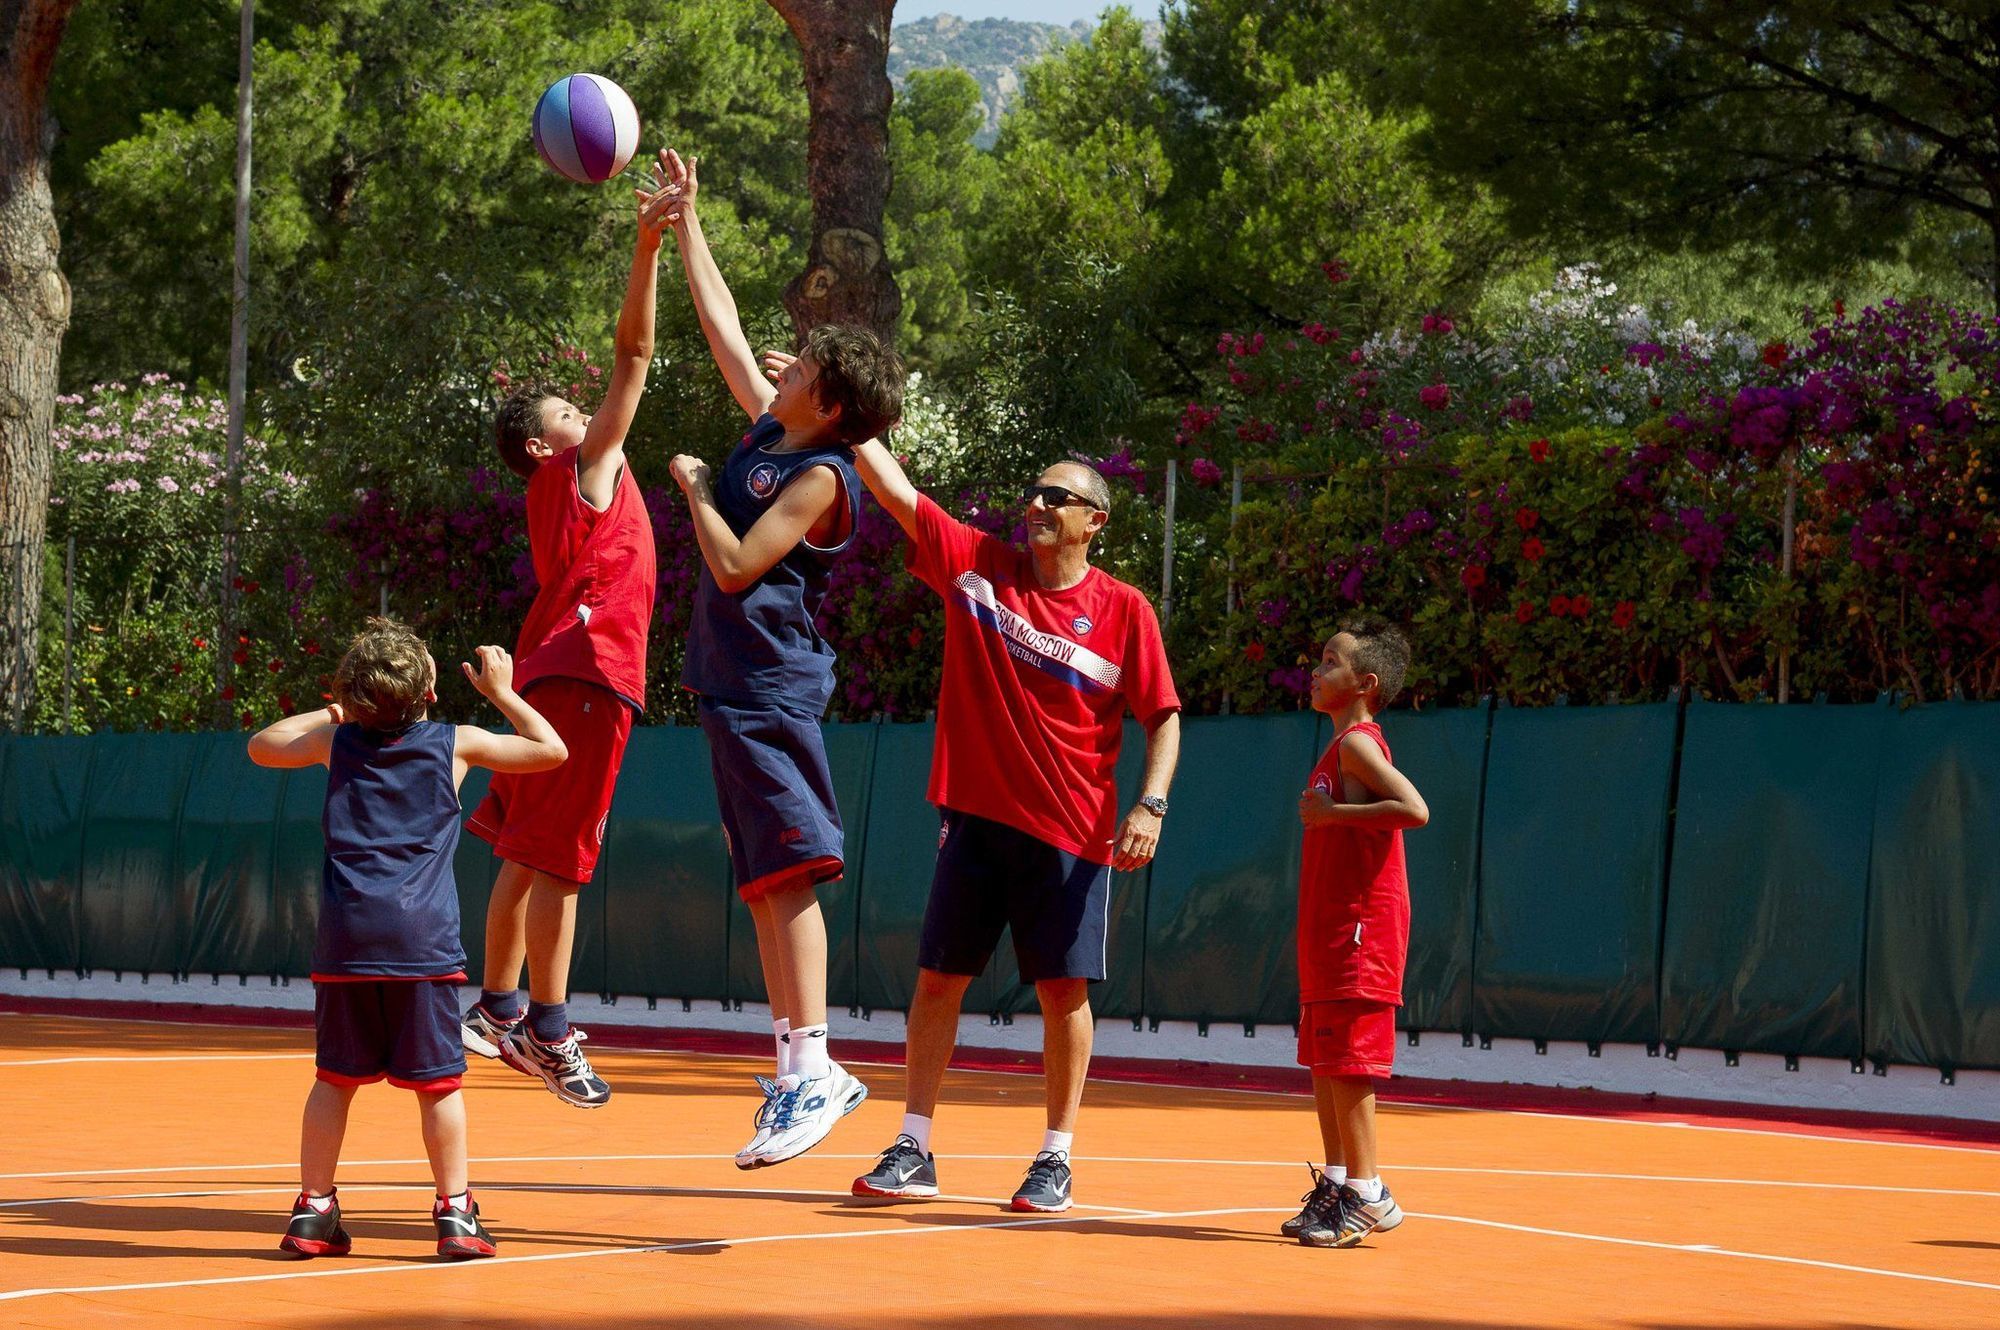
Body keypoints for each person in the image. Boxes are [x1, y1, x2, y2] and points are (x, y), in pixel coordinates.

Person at [844, 441, 1181, 1213]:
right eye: (1033, 492)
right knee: (937, 982)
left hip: (1070, 829)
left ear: (1094, 520)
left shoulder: (1126, 609)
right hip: (973, 822)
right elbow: (895, 492)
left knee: (1064, 992)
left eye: (1056, 497)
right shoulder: (978, 565)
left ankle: (1055, 1159)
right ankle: (914, 1146)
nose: (1036, 504)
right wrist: (845, 410)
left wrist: (1150, 804)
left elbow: (1163, 719)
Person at [660, 150, 906, 1167]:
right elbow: (722, 329)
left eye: (802, 367)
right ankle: (793, 1061)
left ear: (831, 404)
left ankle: (819, 1064)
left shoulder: (821, 477)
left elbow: (731, 566)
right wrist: (686, 224)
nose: (782, 362)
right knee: (764, 877)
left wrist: (689, 489)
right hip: (731, 680)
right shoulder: (774, 430)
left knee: (792, 872)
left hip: (770, 681)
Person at [457, 154, 682, 1109]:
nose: (583, 411)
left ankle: (497, 1007)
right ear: (547, 446)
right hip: (588, 677)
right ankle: (546, 1027)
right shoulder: (584, 472)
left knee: (521, 855)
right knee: (562, 866)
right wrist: (648, 244)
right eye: (565, 412)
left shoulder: (568, 488)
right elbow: (634, 357)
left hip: (555, 671)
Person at [248, 621, 568, 1260]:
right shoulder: (455, 743)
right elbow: (551, 749)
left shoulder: (333, 741)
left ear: (354, 696)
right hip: (420, 943)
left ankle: (314, 1211)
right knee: (439, 1085)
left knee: (333, 1079)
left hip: (346, 941)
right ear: (427, 692)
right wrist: (501, 691)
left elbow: (262, 744)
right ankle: (455, 1216)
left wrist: (340, 709)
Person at [1284, 620, 1429, 1248]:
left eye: (1329, 662)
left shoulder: (1357, 745)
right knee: (1324, 1055)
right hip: (1329, 924)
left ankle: (1369, 1193)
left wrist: (1335, 812)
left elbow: (1415, 809)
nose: (1316, 671)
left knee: (1349, 1057)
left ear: (1364, 683)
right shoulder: (1339, 744)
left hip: (1361, 926)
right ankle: (1339, 1184)